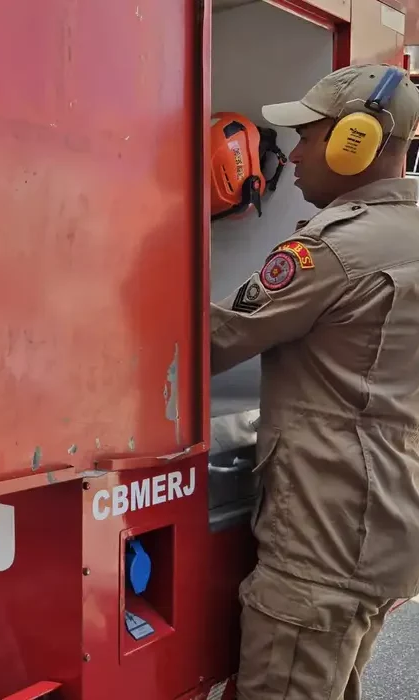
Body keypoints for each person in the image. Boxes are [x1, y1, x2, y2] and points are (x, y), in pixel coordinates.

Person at [211, 64, 419, 700]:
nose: (294, 156)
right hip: (380, 522)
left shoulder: (332, 250)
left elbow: (212, 342)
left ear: (356, 141)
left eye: (307, 136)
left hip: (322, 542)